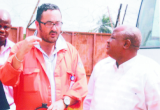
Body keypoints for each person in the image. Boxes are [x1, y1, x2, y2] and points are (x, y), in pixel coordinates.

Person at [0, 3, 88, 110]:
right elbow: (6, 80)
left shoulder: (70, 52)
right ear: (37, 25)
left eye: (58, 23)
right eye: (49, 23)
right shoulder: (21, 49)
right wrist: (20, 54)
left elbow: (82, 85)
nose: (54, 28)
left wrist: (64, 101)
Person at [83, 25, 160, 110]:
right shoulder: (101, 67)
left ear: (126, 44)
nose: (108, 41)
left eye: (112, 38)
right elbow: (88, 102)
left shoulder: (149, 72)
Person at [0, 9, 16, 110]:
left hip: (10, 106)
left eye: (6, 27)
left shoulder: (15, 51)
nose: (2, 30)